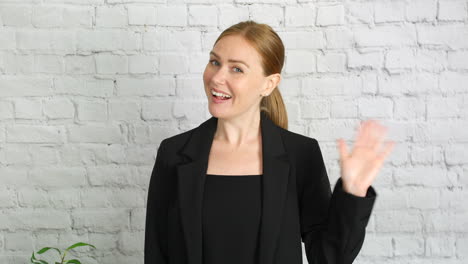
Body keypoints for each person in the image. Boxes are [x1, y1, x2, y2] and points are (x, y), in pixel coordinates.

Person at [144, 20, 395, 264]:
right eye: (214, 62)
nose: (217, 78)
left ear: (269, 84)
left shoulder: (300, 155)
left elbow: (328, 257)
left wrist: (353, 194)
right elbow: (157, 253)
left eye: (237, 68)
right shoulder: (174, 153)